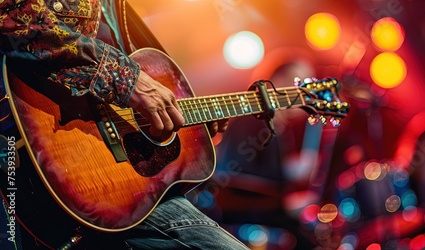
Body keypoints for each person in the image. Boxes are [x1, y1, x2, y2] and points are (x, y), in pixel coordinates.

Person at [0, 0, 249, 249]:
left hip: (119, 184)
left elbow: (141, 83)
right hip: (58, 156)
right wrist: (127, 79)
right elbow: (11, 17)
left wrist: (179, 116)